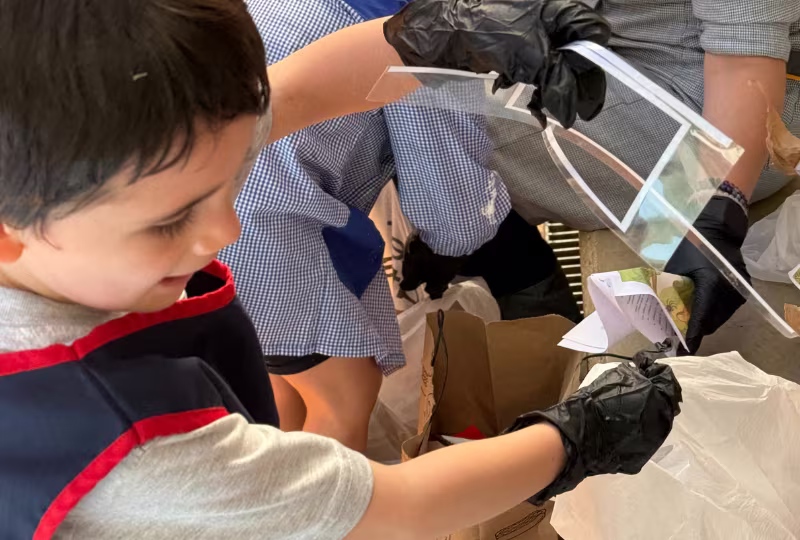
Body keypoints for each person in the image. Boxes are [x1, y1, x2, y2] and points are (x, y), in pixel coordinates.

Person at [0, 0, 679, 538]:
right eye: (170, 222)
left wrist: (441, 37)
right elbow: (398, 507)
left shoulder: (99, 178)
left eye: (231, 180)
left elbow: (296, 94)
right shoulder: (127, 444)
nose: (225, 232)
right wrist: (576, 436)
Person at [218, 0, 578, 452]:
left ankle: (277, 492)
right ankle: (336, 500)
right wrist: (445, 247)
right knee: (344, 398)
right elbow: (452, 201)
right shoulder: (421, 28)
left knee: (285, 384)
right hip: (264, 228)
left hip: (205, 203)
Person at [483, 0, 800, 353]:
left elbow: (745, 48)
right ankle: (525, 315)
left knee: (451, 136)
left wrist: (718, 203)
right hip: (627, 52)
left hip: (720, 104)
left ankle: (532, 324)